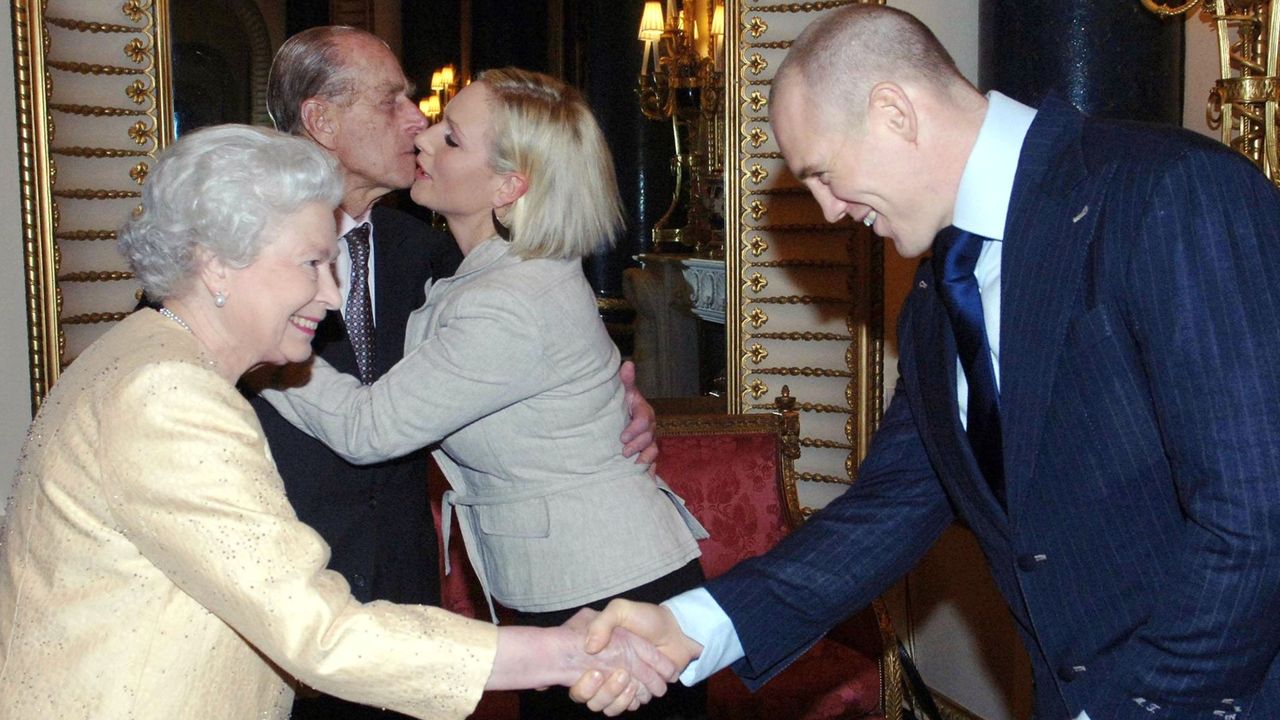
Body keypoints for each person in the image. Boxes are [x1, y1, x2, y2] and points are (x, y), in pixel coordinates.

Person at [578, 5, 1280, 720]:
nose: (827, 212)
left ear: (893, 113)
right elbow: (892, 508)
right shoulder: (938, 297)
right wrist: (692, 627)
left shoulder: (1171, 192)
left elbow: (1257, 516)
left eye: (822, 173)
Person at [0, 124, 674, 720]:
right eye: (311, 264)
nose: (330, 295)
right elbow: (318, 634)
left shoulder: (148, 352)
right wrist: (558, 651)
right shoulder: (168, 393)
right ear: (214, 263)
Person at [263, 67, 710, 720]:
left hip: (604, 593)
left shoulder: (511, 298)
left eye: (451, 138)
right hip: (558, 587)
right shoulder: (475, 271)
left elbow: (371, 429)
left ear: (510, 184)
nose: (424, 134)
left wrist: (259, 351)